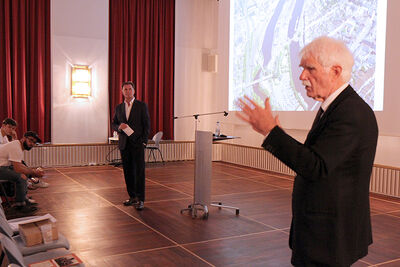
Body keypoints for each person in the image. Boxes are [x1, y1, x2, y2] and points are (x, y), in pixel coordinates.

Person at [237, 36, 378, 266]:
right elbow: (320, 160)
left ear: (335, 71)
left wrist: (271, 132)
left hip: (329, 236)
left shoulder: (350, 112)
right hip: (323, 233)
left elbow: (316, 166)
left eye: (310, 68)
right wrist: (275, 132)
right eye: (302, 69)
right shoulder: (336, 107)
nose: (302, 76)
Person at [112, 81, 150, 210]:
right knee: (128, 172)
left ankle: (141, 199)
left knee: (139, 172)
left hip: (138, 144)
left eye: (130, 89)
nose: (127, 91)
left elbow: (146, 125)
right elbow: (114, 124)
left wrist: (144, 141)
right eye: (125, 89)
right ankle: (132, 196)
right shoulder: (118, 108)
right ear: (122, 92)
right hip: (124, 144)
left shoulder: (141, 105)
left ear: (134, 91)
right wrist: (119, 127)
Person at [0, 131, 45, 213]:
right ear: (24, 138)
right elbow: (18, 169)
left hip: (3, 167)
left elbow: (19, 165)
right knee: (21, 177)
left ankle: (23, 199)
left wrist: (32, 171)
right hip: (1, 168)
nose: (32, 144)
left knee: (24, 173)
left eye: (34, 142)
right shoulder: (16, 147)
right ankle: (20, 205)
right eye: (30, 140)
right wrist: (34, 172)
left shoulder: (17, 145)